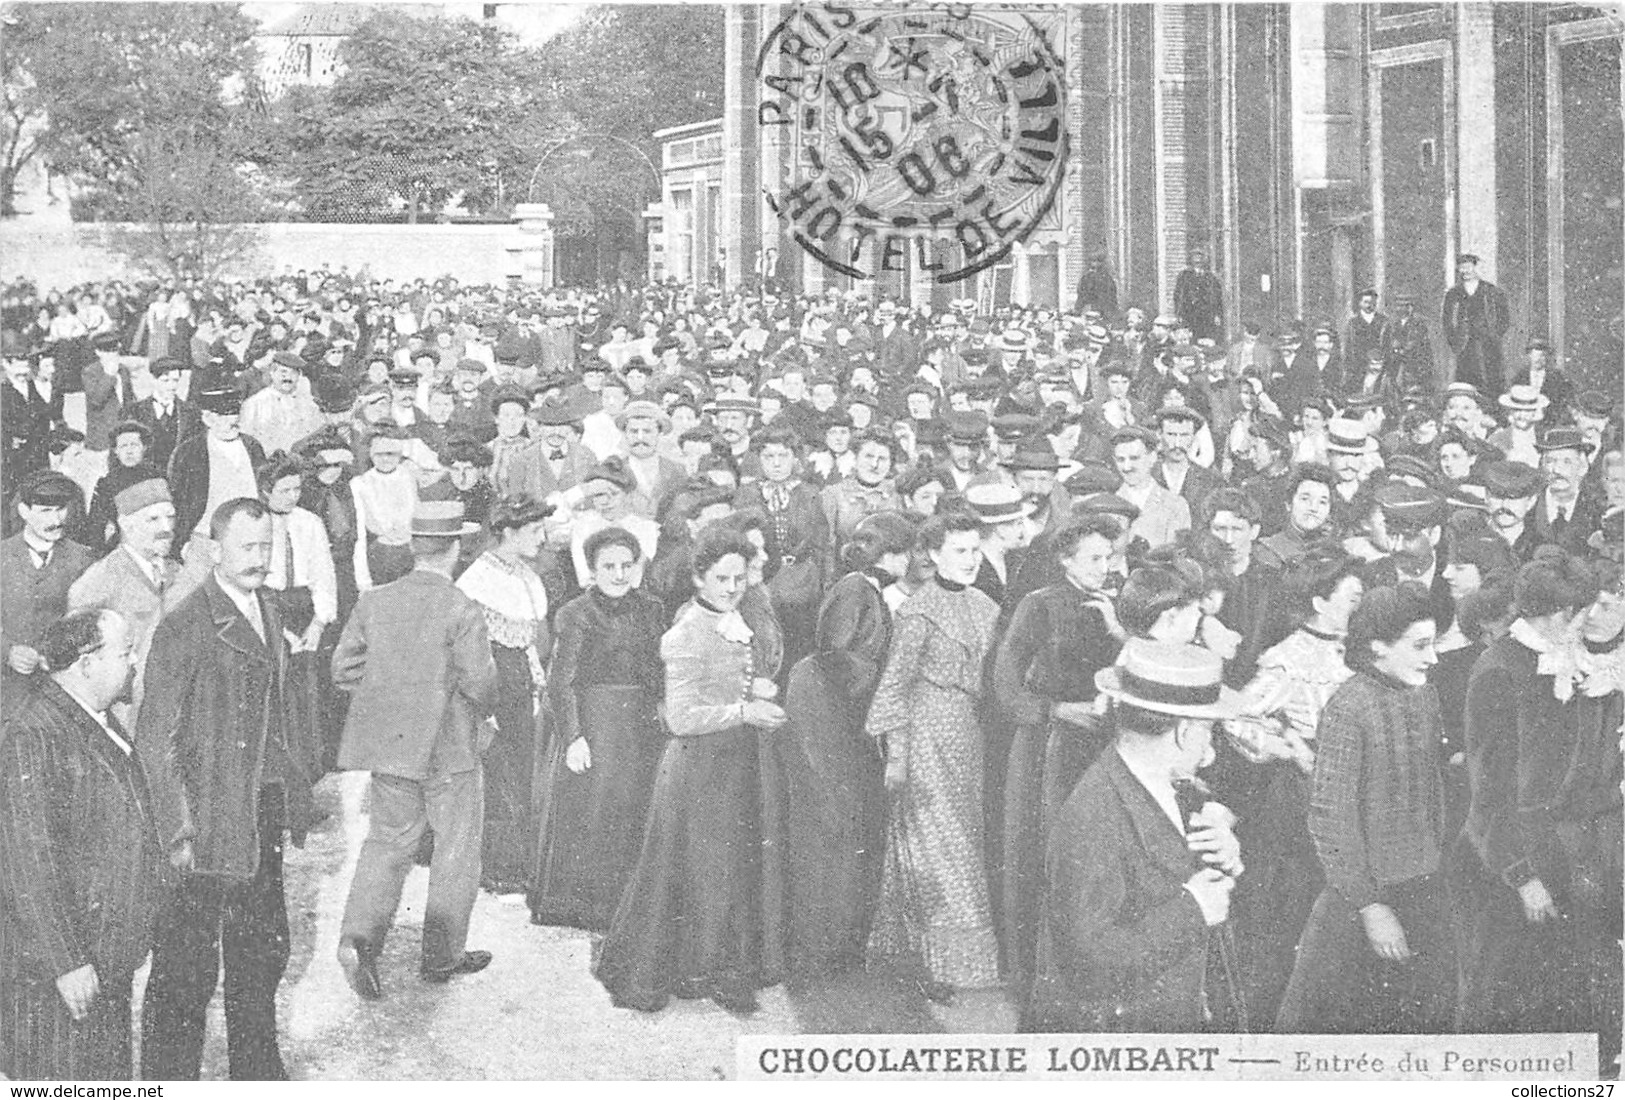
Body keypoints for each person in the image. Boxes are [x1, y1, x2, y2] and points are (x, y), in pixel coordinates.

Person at [138, 497, 316, 1080]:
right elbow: (154, 741)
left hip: (258, 809)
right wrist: (177, 831)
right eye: (246, 547)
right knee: (186, 966)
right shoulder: (185, 624)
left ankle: (257, 1071)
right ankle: (168, 1080)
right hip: (205, 817)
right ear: (215, 549)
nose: (259, 559)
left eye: (267, 547)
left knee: (261, 952)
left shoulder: (268, 607)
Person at [594, 525, 789, 1015]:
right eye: (722, 579)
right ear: (698, 579)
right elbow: (681, 718)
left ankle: (716, 967)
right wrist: (743, 711)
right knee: (703, 870)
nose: (731, 588)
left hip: (732, 762)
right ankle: (708, 971)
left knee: (728, 867)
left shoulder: (733, 616)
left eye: (740, 579)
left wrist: (753, 691)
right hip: (696, 770)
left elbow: (723, 684)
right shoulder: (684, 633)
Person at [1026, 638, 1245, 1032]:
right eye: (1208, 733)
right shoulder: (1093, 815)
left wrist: (1225, 842)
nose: (1210, 750)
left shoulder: (1166, 783)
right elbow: (1091, 960)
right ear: (1183, 733)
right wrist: (1194, 909)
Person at [1458, 550, 1622, 1065]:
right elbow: (1488, 795)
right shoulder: (1501, 671)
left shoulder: (1567, 658)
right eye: (1583, 610)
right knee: (1511, 996)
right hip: (1519, 863)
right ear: (1559, 615)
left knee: (1575, 999)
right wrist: (1521, 875)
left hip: (1574, 856)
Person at [332, 500, 498, 1000]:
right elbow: (481, 683)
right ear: (454, 550)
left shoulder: (374, 601)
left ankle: (358, 940)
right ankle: (441, 956)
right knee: (455, 852)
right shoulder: (461, 607)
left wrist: (392, 691)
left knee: (386, 843)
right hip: (451, 749)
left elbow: (343, 671)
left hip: (392, 749)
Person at [1278, 583, 1456, 1033]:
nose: (1433, 658)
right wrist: (1370, 906)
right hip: (1362, 897)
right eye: (1420, 645)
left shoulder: (1427, 694)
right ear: (1377, 646)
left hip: (1425, 887)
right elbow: (1328, 817)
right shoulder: (1348, 706)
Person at [0, 610, 163, 1080]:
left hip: (103, 958)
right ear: (86, 663)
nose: (135, 663)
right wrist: (66, 961)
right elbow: (26, 864)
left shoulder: (97, 719)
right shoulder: (35, 733)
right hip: (61, 978)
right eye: (125, 652)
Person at [865, 512, 1001, 1003]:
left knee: (965, 842)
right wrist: (896, 756)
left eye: (975, 550)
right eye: (960, 550)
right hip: (924, 736)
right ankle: (930, 965)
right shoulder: (918, 610)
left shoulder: (987, 604)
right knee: (934, 849)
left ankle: (956, 962)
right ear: (934, 555)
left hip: (969, 734)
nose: (970, 559)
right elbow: (894, 685)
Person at [991, 514, 1126, 996]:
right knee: (1041, 852)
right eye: (1094, 558)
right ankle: (1033, 976)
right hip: (1046, 748)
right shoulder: (1039, 605)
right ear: (1065, 560)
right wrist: (1054, 710)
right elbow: (1004, 681)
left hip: (1103, 746)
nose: (1104, 567)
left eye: (1109, 557)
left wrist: (1118, 630)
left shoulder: (1117, 605)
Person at [780, 510, 915, 985]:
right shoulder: (855, 589)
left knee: (846, 826)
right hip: (827, 716)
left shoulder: (866, 590)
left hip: (843, 715)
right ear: (890, 553)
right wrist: (887, 683)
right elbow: (836, 655)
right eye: (906, 551)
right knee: (832, 824)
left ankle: (836, 943)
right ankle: (821, 946)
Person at [529, 525, 665, 930]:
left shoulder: (652, 609)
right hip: (596, 722)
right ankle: (590, 906)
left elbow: (657, 667)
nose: (620, 575)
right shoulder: (575, 614)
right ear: (592, 570)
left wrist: (660, 703)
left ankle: (631, 902)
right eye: (609, 567)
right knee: (596, 812)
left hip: (640, 724)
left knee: (636, 807)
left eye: (627, 565)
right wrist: (573, 737)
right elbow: (561, 681)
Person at [455, 494, 553, 894]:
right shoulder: (478, 579)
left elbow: (533, 638)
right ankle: (499, 866)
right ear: (508, 533)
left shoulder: (526, 573)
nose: (542, 538)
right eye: (534, 530)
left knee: (524, 769)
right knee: (499, 773)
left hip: (523, 681)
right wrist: (483, 705)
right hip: (494, 685)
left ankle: (523, 860)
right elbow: (468, 652)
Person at [66, 479, 188, 726]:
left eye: (170, 518)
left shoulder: (180, 573)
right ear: (125, 524)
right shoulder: (98, 580)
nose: (166, 528)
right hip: (128, 714)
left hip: (181, 707)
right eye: (153, 520)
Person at [1, 472, 96, 681]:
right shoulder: (2, 556)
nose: (56, 520)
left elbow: (90, 623)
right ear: (24, 511)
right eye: (45, 511)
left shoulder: (83, 559)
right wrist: (7, 652)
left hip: (61, 678)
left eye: (60, 509)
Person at [1442, 253, 1511, 401]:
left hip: (1488, 344)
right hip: (1464, 345)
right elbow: (1447, 321)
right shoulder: (1453, 293)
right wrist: (1455, 340)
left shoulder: (1491, 291)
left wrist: (1494, 334)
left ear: (1475, 268)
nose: (1465, 271)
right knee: (1465, 381)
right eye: (1461, 268)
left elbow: (1504, 318)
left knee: (1491, 379)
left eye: (1468, 267)